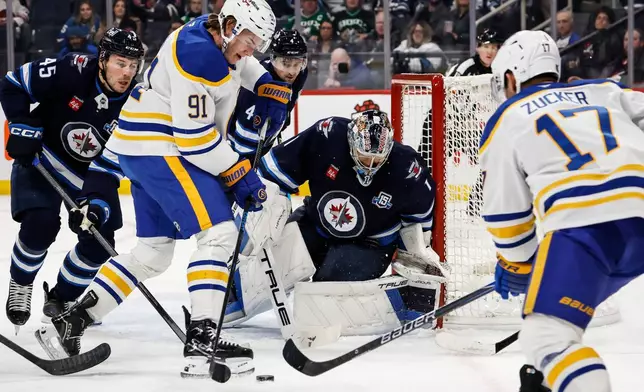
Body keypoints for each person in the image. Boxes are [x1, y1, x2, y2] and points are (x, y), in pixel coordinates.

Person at [37, 1, 291, 379]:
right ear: (233, 25)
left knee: (153, 252)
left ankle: (73, 321)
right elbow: (195, 139)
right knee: (219, 234)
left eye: (258, 44)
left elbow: (240, 61)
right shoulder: (199, 58)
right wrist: (239, 175)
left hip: (140, 146)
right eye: (250, 40)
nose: (252, 49)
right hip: (163, 147)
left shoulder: (213, 32)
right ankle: (203, 339)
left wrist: (264, 84)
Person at [484, 30, 644, 391]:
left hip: (587, 227)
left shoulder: (508, 116)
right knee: (554, 312)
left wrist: (518, 264)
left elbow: (507, 219)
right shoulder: (608, 90)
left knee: (547, 335)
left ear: (511, 78)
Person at [223, 109, 448, 334]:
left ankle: (396, 304)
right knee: (271, 269)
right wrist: (269, 216)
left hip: (369, 244)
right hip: (315, 224)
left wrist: (418, 262)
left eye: (377, 159)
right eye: (364, 156)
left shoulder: (408, 169)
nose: (370, 165)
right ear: (351, 142)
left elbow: (418, 228)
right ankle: (227, 298)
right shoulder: (326, 136)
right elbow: (272, 174)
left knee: (325, 296)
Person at [1, 28, 143, 333]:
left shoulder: (136, 104)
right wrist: (21, 124)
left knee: (99, 244)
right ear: (103, 59)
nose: (127, 72)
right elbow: (12, 84)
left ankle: (62, 299)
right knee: (41, 224)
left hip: (92, 175)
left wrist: (96, 204)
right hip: (43, 160)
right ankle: (21, 283)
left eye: (133, 65)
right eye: (121, 63)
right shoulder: (71, 69)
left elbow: (116, 162)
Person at [228, 28, 308, 158]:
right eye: (285, 64)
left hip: (265, 137)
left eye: (297, 64)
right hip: (235, 144)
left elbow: (290, 101)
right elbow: (242, 138)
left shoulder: (301, 73)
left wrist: (283, 120)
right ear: (273, 59)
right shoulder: (259, 81)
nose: (292, 72)